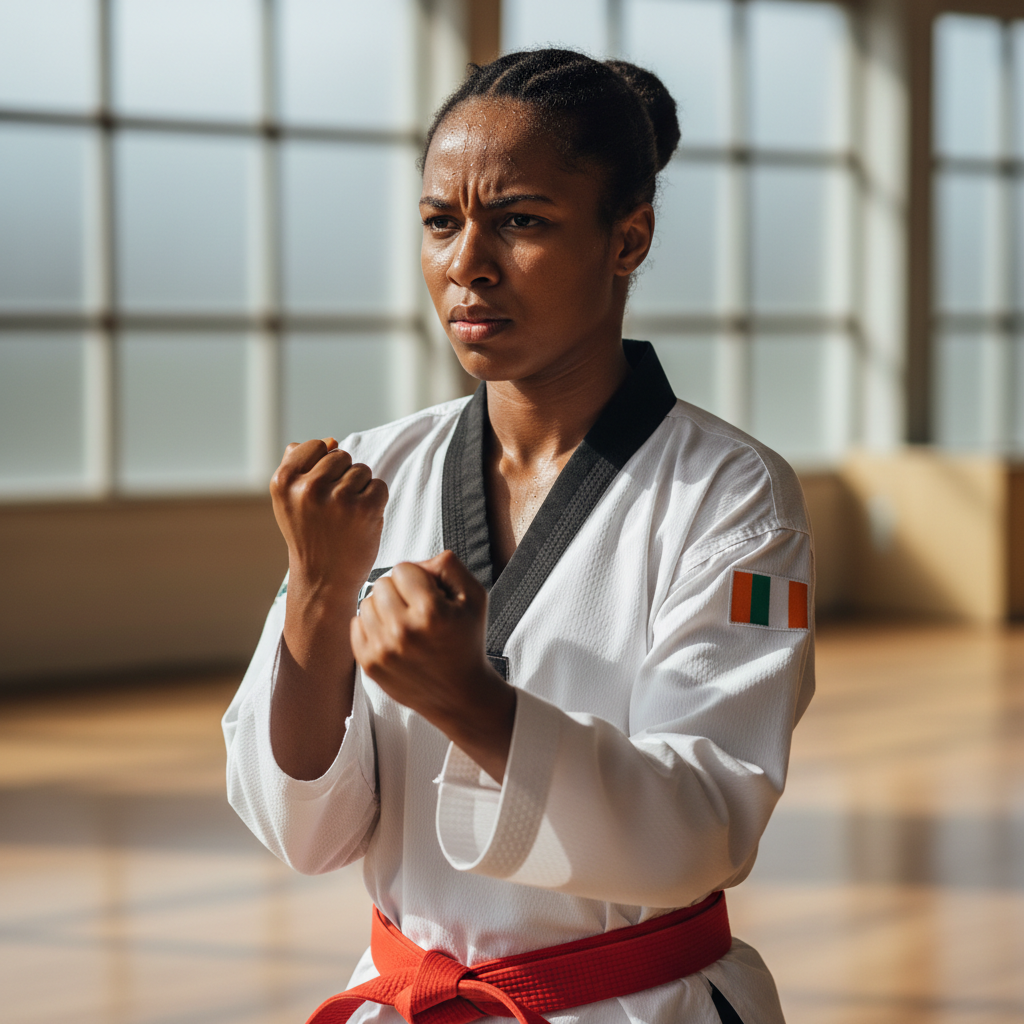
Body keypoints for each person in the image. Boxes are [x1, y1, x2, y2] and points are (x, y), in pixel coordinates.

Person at [223, 49, 814, 1024]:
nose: (468, 265)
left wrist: (470, 701)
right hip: (408, 998)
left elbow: (708, 828)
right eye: (440, 222)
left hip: (633, 1001)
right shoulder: (374, 473)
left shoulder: (735, 496)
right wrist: (318, 602)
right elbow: (304, 832)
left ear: (627, 240)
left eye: (522, 222)